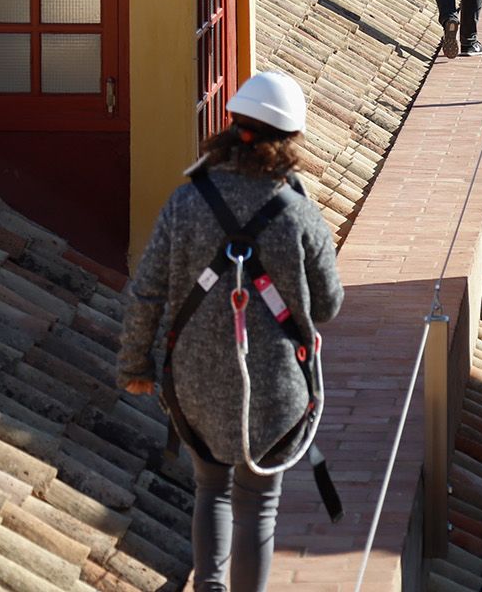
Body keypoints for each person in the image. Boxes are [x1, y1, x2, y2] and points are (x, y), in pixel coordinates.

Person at [118, 71, 342, 592]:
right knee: (258, 505)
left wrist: (135, 366)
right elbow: (328, 305)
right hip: (276, 391)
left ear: (230, 127)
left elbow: (146, 292)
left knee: (210, 488)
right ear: (289, 141)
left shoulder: (186, 202)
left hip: (193, 385)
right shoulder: (300, 214)